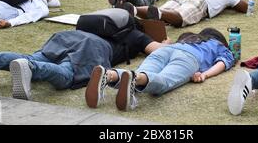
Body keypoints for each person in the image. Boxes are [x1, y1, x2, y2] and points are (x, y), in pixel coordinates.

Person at [0, 27, 171, 99]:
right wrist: (165, 42)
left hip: (67, 36)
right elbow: (157, 51)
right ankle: (30, 70)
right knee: (66, 76)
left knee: (33, 56)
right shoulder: (135, 33)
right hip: (91, 49)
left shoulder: (99, 19)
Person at [85, 28, 235, 111]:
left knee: (141, 70)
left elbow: (164, 46)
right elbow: (223, 62)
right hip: (189, 58)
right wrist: (204, 75)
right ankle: (135, 79)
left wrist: (167, 42)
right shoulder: (219, 46)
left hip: (166, 50)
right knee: (164, 81)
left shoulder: (189, 38)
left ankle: (109, 74)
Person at [120, 0, 248, 28]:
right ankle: (160, 14)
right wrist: (230, 3)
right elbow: (245, 7)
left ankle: (135, 9)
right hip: (200, 1)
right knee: (180, 17)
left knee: (165, 12)